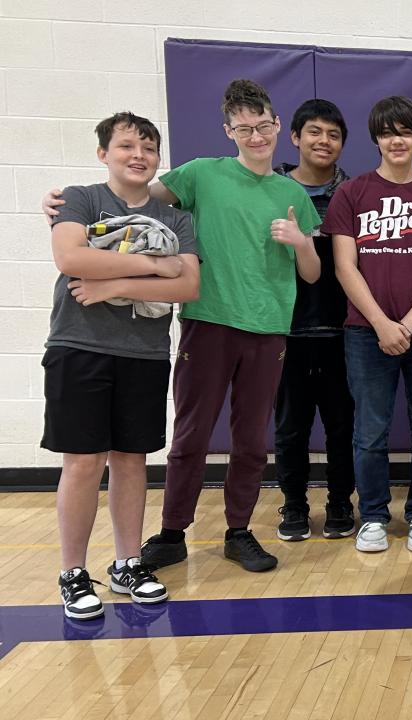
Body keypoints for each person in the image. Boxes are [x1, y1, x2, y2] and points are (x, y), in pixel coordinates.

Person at [43, 80, 323, 574]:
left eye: (263, 126)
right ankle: (172, 533)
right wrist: (62, 203)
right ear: (229, 131)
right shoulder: (200, 174)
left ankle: (239, 530)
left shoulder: (291, 192)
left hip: (269, 325)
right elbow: (133, 198)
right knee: (191, 434)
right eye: (244, 128)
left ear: (278, 127)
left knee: (253, 439)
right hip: (207, 322)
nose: (255, 136)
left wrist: (302, 242)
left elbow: (313, 273)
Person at [47, 112, 199, 619]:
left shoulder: (175, 219)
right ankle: (73, 572)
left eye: (149, 148)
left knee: (132, 461)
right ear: (104, 154)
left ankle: (127, 562)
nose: (139, 155)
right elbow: (72, 259)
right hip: (80, 346)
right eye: (128, 146)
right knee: (85, 462)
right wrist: (155, 265)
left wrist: (113, 284)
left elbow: (187, 286)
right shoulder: (81, 198)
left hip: (145, 352)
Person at [325, 96, 412, 554]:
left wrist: (405, 322)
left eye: (405, 131)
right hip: (366, 334)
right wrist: (383, 323)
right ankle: (374, 517)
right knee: (370, 431)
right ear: (377, 139)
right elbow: (345, 267)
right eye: (387, 132)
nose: (396, 139)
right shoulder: (352, 194)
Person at [273, 99, 356, 543]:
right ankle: (294, 504)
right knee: (290, 427)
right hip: (284, 330)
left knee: (344, 425)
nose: (323, 141)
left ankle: (342, 502)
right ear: (296, 137)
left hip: (344, 330)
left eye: (333, 134)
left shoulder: (355, 193)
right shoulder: (272, 190)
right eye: (315, 132)